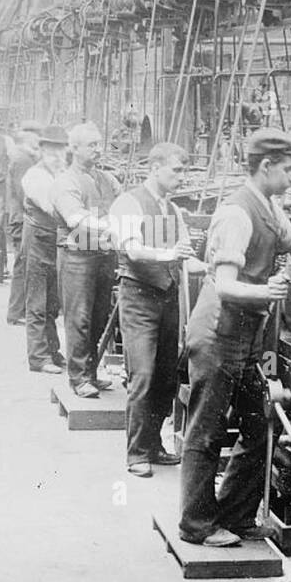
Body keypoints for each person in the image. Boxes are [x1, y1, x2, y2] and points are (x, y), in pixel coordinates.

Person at [178, 128, 291, 547]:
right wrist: (266, 292)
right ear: (266, 166)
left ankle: (236, 514)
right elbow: (222, 283)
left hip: (246, 333)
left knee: (260, 423)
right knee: (207, 430)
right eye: (290, 169)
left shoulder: (270, 207)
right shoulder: (237, 214)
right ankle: (196, 526)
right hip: (218, 331)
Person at [110, 142, 204, 478]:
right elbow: (132, 251)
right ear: (155, 167)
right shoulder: (128, 203)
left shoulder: (173, 211)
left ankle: (153, 445)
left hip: (167, 297)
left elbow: (188, 260)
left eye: (184, 171)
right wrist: (170, 256)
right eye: (176, 170)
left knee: (166, 377)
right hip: (138, 297)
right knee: (143, 374)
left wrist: (216, 269)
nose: (182, 177)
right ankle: (136, 452)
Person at [52, 122, 122, 399]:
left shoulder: (107, 178)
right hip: (77, 257)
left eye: (98, 143)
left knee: (98, 317)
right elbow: (75, 218)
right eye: (91, 145)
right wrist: (112, 226)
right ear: (75, 148)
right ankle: (79, 377)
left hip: (103, 256)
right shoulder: (65, 182)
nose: (97, 149)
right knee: (78, 318)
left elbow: (122, 204)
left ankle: (91, 373)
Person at [20, 125, 68, 374]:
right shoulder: (34, 177)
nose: (57, 156)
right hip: (38, 241)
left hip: (55, 242)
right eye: (51, 151)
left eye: (61, 151)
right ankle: (38, 357)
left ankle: (52, 351)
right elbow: (53, 207)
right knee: (37, 301)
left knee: (52, 302)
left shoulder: (63, 174)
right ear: (41, 151)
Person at [5, 120, 43, 325]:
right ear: (30, 136)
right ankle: (16, 312)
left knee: (23, 264)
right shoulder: (22, 159)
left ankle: (19, 310)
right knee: (23, 265)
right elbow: (23, 193)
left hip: (19, 216)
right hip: (21, 218)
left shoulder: (22, 156)